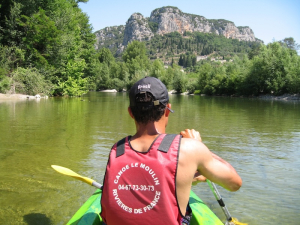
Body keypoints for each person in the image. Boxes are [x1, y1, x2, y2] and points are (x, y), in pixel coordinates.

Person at [100, 77, 242, 225]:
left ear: (130, 112)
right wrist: (200, 147)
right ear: (167, 110)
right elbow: (235, 184)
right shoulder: (189, 149)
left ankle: (191, 179)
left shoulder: (117, 149)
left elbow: (147, 172)